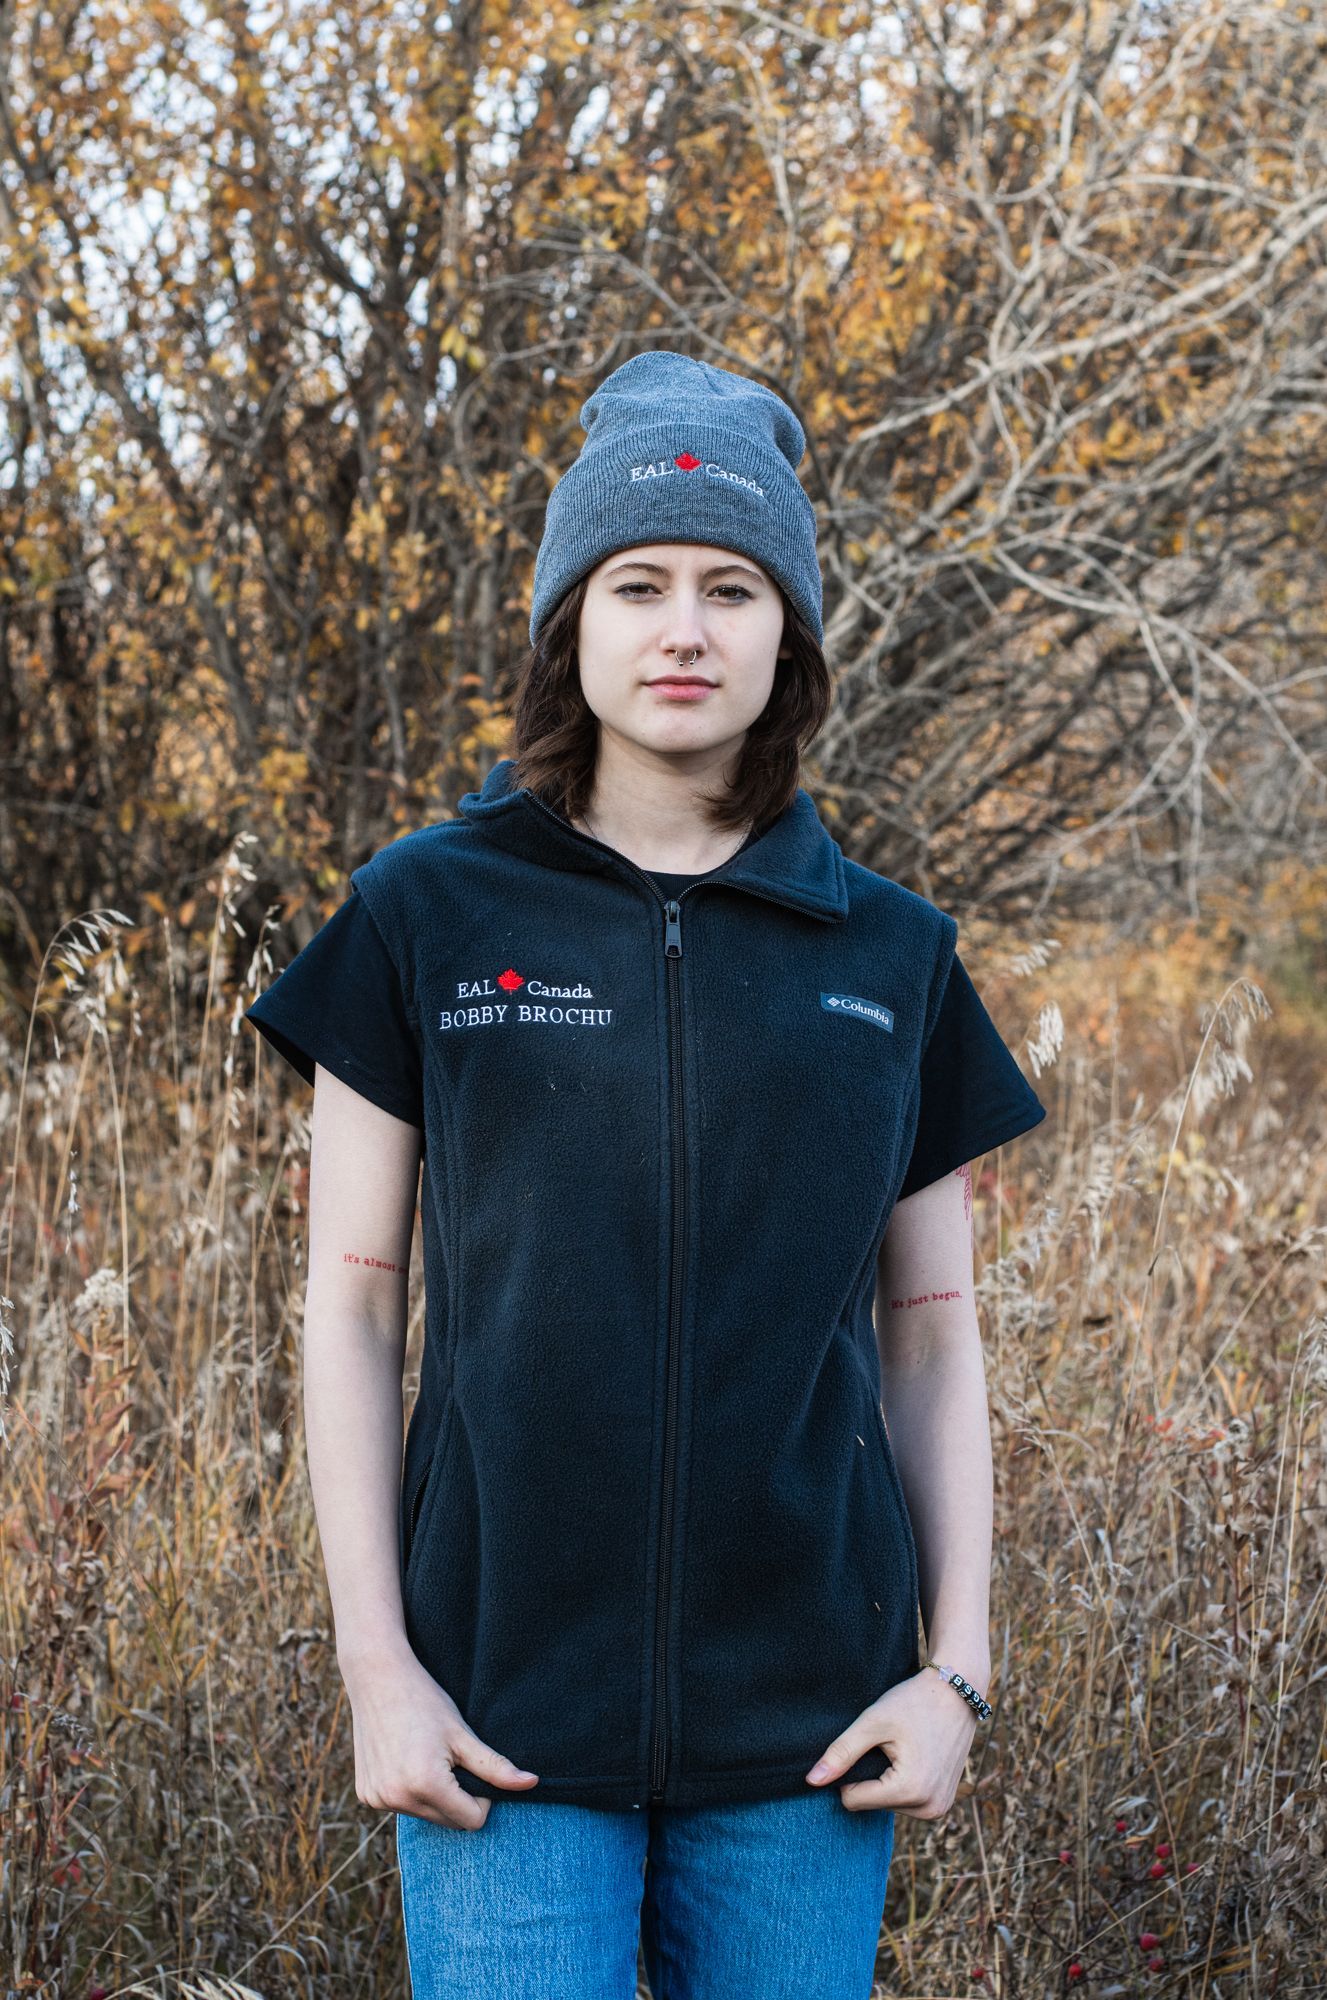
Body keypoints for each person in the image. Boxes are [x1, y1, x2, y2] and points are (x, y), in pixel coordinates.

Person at [244, 350, 1047, 1999]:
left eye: (733, 588)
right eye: (640, 584)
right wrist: (378, 1669)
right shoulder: (424, 913)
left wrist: (952, 1674)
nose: (686, 628)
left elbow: (934, 1340)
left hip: (811, 1741)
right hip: (496, 1718)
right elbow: (349, 1308)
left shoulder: (890, 955)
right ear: (573, 623)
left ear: (788, 635)